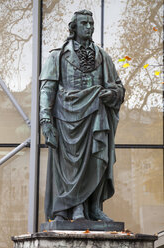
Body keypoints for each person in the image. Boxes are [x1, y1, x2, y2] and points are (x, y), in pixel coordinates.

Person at [39, 10, 125, 222]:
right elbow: (47, 89)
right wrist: (45, 120)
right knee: (72, 165)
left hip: (96, 114)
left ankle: (94, 207)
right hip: (68, 117)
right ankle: (75, 207)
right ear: (74, 27)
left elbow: (119, 88)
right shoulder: (57, 56)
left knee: (98, 159)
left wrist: (111, 93)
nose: (89, 27)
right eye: (84, 23)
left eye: (91, 23)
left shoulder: (103, 56)